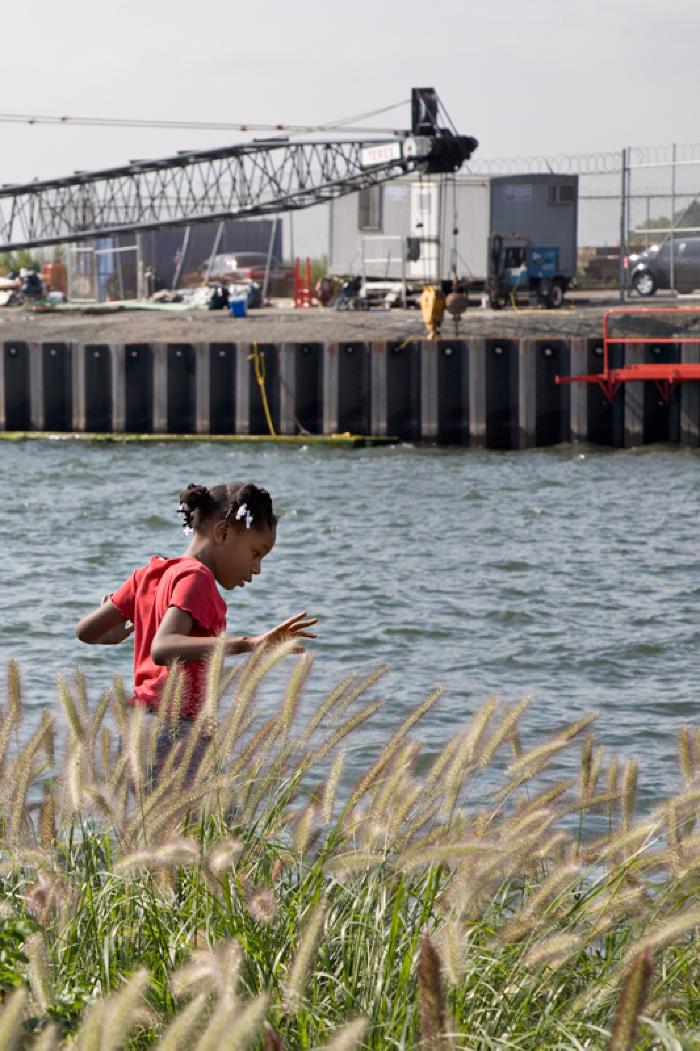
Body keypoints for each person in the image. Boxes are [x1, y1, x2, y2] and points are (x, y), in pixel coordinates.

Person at [75, 481, 317, 776]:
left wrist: (108, 636)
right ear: (223, 533)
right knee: (213, 821)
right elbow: (164, 648)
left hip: (138, 729)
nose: (257, 569)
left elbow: (85, 631)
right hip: (174, 734)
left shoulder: (151, 573)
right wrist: (248, 643)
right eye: (256, 553)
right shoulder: (197, 577)